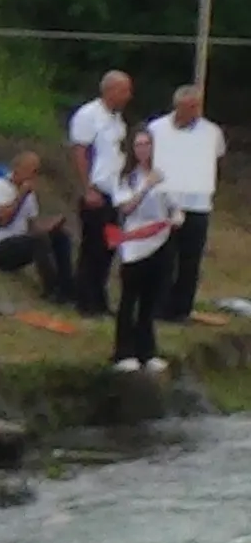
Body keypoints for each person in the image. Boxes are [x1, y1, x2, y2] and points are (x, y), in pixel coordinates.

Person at [145, 85, 224, 323]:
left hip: (198, 204)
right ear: (177, 106)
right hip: (165, 202)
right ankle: (157, 306)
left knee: (190, 260)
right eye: (189, 107)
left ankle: (181, 309)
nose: (194, 111)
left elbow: (216, 160)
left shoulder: (212, 132)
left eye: (197, 106)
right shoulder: (156, 129)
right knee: (163, 255)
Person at [109, 128, 182, 375]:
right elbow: (126, 208)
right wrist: (145, 187)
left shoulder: (166, 175)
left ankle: (147, 350)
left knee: (150, 300)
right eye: (138, 145)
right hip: (134, 242)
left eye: (147, 144)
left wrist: (176, 217)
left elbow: (174, 206)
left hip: (160, 241)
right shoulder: (126, 177)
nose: (143, 149)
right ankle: (123, 351)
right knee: (130, 297)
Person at [67, 70, 134, 317]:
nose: (128, 96)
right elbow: (80, 152)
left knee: (109, 247)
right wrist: (87, 188)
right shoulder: (89, 116)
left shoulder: (117, 119)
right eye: (124, 90)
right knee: (93, 247)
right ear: (110, 90)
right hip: (96, 191)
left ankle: (100, 298)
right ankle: (85, 300)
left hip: (113, 192)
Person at [0, 152, 74, 305]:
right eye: (31, 171)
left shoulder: (29, 194)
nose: (34, 176)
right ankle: (51, 289)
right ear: (17, 169)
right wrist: (21, 195)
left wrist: (51, 226)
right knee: (37, 241)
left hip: (19, 243)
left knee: (61, 236)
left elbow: (32, 227)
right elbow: (3, 221)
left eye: (36, 172)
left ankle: (66, 288)